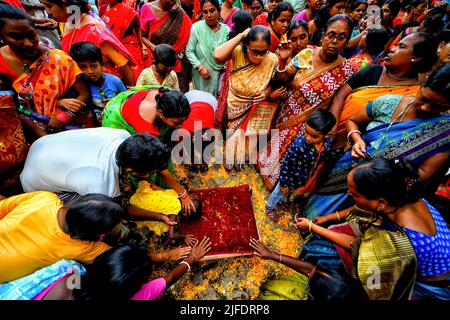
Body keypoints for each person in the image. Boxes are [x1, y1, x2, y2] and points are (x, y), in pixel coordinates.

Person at [303, 64, 450, 220]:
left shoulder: (444, 132)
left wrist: (389, 171)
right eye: (424, 99)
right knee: (317, 204)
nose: (426, 108)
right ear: (423, 84)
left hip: (376, 190)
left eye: (437, 107)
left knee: (340, 223)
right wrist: (356, 138)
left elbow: (423, 174)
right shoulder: (390, 102)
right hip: (345, 167)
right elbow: (352, 120)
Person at [305, 158, 450, 299]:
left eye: (354, 194)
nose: (348, 194)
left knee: (324, 253)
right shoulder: (404, 196)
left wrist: (312, 227)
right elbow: (362, 210)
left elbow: (355, 245)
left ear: (381, 202)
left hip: (429, 284)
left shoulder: (395, 239)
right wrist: (329, 217)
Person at [259, 14, 355, 190]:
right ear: (323, 35)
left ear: (348, 41)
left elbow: (335, 104)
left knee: (290, 156)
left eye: (342, 37)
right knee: (273, 146)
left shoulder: (346, 69)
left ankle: (277, 182)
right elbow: (284, 76)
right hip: (287, 113)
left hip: (308, 123)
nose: (334, 41)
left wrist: (328, 136)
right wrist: (282, 59)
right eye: (331, 35)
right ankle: (264, 168)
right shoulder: (307, 54)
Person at [20, 128, 197, 218]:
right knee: (96, 215)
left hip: (43, 146)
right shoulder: (101, 183)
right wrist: (160, 217)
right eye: (149, 173)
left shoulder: (123, 136)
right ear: (130, 170)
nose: (151, 176)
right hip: (38, 184)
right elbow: (122, 211)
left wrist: (182, 193)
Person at [0, 238, 211, 300]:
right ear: (133, 288)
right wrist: (189, 259)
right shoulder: (138, 296)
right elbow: (166, 280)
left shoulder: (67, 270)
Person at [0, 2, 92, 135]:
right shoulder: (2, 61)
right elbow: (11, 108)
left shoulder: (58, 58)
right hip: (30, 130)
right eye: (16, 37)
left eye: (31, 35)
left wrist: (62, 117)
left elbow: (84, 94)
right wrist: (41, 136)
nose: (28, 43)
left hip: (68, 127)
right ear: (2, 38)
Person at [331, 32, 438, 141]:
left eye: (401, 47)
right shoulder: (373, 71)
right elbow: (339, 96)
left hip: (359, 146)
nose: (392, 49)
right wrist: (332, 128)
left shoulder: (414, 95)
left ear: (416, 58)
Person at [0, 192, 119, 283]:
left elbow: (2, 208)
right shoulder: (83, 248)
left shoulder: (44, 198)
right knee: (75, 271)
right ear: (99, 234)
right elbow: (117, 260)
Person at [214, 25, 278, 169]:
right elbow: (217, 56)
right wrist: (242, 35)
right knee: (233, 136)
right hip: (235, 105)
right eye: (254, 52)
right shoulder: (238, 53)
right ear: (247, 46)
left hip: (256, 107)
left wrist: (266, 93)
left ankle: (241, 159)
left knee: (248, 138)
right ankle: (230, 160)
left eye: (263, 52)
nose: (259, 57)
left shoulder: (272, 60)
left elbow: (274, 83)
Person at [41, 0, 137, 86]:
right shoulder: (69, 21)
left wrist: (127, 95)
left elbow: (124, 65)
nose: (47, 11)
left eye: (49, 6)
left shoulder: (94, 32)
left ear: (65, 3)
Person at [266, 110, 336, 219]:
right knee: (278, 193)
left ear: (326, 135)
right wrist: (284, 183)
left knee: (286, 194)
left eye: (314, 136)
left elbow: (325, 156)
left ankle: (281, 202)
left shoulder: (326, 144)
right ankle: (270, 208)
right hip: (288, 177)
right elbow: (286, 164)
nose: (307, 137)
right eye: (306, 132)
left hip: (301, 179)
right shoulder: (299, 144)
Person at [140, 0, 192, 92]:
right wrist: (153, 47)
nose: (172, 3)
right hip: (155, 60)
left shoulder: (178, 13)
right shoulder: (147, 9)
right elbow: (143, 35)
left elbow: (188, 30)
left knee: (177, 95)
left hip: (175, 63)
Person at [70, 42, 127, 124]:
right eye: (83, 67)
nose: (89, 71)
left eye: (93, 66)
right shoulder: (82, 84)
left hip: (116, 123)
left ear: (101, 64)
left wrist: (115, 102)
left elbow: (126, 100)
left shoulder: (115, 81)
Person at [215, 9, 253, 130]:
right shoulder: (236, 40)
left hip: (233, 76)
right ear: (249, 26)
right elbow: (218, 55)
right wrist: (241, 36)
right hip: (235, 76)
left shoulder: (251, 40)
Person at [186, 0, 230, 96]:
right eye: (205, 12)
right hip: (201, 75)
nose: (209, 15)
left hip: (220, 74)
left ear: (218, 10)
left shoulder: (226, 30)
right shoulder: (196, 28)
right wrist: (200, 67)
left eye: (212, 10)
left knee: (218, 101)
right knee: (203, 101)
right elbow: (189, 51)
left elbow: (229, 53)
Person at [100, 0, 146, 81]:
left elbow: (138, 29)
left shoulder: (129, 12)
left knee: (130, 68)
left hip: (129, 45)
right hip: (109, 44)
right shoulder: (103, 9)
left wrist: (143, 46)